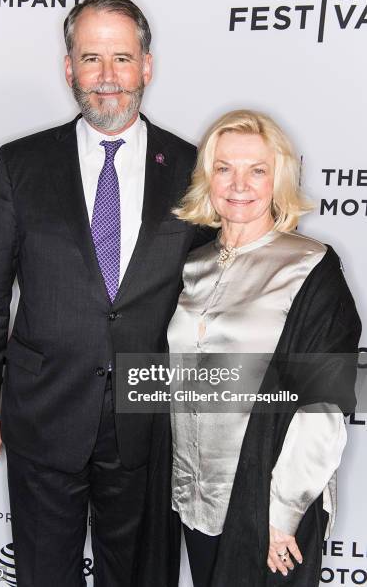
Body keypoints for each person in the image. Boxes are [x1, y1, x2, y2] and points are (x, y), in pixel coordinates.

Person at [0, 0, 212, 587]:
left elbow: (214, 298)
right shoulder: (21, 162)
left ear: (147, 65)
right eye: (91, 59)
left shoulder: (195, 168)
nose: (107, 78)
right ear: (68, 68)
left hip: (150, 418)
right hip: (44, 410)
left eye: (122, 59)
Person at [167, 109, 361, 586]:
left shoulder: (309, 266)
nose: (239, 184)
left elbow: (324, 403)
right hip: (192, 497)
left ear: (279, 179)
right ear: (206, 178)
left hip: (263, 501)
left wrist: (284, 511)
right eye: (224, 168)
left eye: (257, 170)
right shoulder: (191, 263)